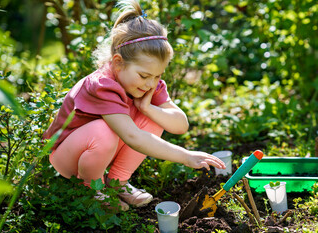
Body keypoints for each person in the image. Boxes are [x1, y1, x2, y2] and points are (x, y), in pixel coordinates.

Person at [43, 0, 225, 211]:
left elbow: (180, 125)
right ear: (118, 62)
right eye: (144, 75)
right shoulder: (102, 85)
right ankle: (90, 190)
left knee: (154, 117)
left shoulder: (147, 82)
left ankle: (117, 183)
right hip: (68, 156)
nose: (150, 83)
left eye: (158, 76)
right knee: (104, 131)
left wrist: (148, 108)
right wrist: (185, 156)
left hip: (100, 152)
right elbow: (132, 137)